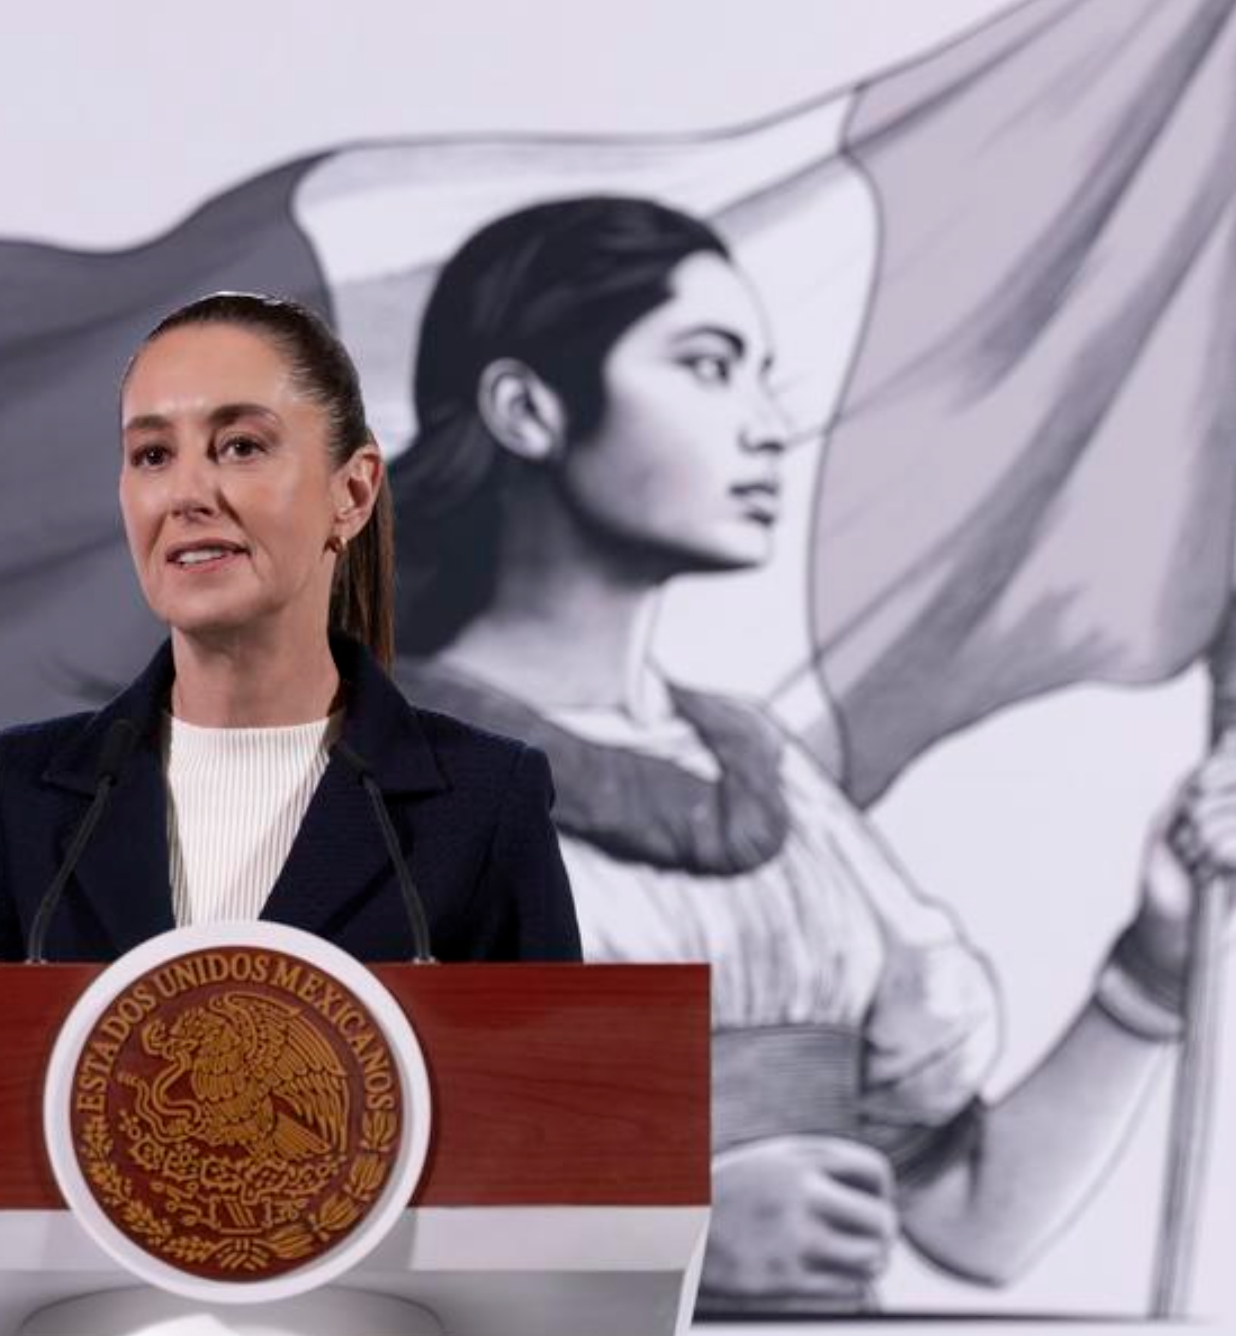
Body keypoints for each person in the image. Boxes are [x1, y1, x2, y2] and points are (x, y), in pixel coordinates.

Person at [391, 196, 1236, 1310]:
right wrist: (664, 1242)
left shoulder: (768, 774)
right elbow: (238, 1229)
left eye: (761, 371)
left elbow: (975, 1220)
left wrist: (1158, 957)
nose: (764, 422)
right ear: (525, 408)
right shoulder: (375, 783)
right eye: (707, 364)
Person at [0, 292, 582, 965]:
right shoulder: (18, 795)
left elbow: (553, 1072)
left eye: (239, 446)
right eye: (151, 455)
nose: (185, 494)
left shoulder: (483, 799)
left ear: (350, 494)